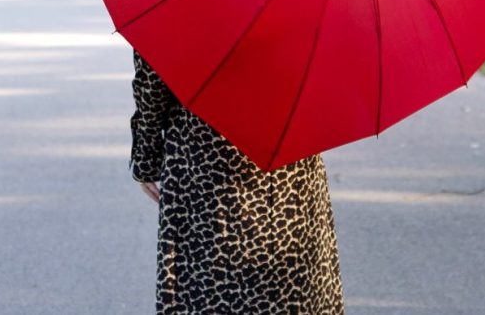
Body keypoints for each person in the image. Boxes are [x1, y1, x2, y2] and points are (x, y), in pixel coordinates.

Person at [130, 50, 345, 314]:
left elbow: (152, 81)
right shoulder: (308, 9)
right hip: (290, 157)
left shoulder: (179, 10)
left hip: (206, 163)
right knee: (293, 288)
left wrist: (146, 160)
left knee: (208, 287)